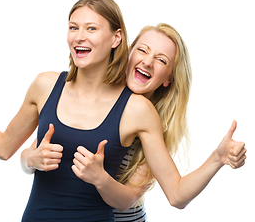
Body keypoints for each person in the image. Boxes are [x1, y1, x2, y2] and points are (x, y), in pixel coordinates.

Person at [0, 0, 132, 222]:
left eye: (91, 28)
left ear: (116, 38)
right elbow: (3, 146)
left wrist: (100, 178)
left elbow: (136, 198)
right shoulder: (45, 86)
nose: (79, 37)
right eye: (73, 27)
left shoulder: (134, 107)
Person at [21, 23, 247, 221]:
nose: (148, 62)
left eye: (161, 60)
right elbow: (30, 155)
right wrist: (29, 159)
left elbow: (173, 195)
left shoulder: (152, 125)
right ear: (128, 53)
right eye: (142, 50)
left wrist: (217, 158)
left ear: (169, 78)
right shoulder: (90, 97)